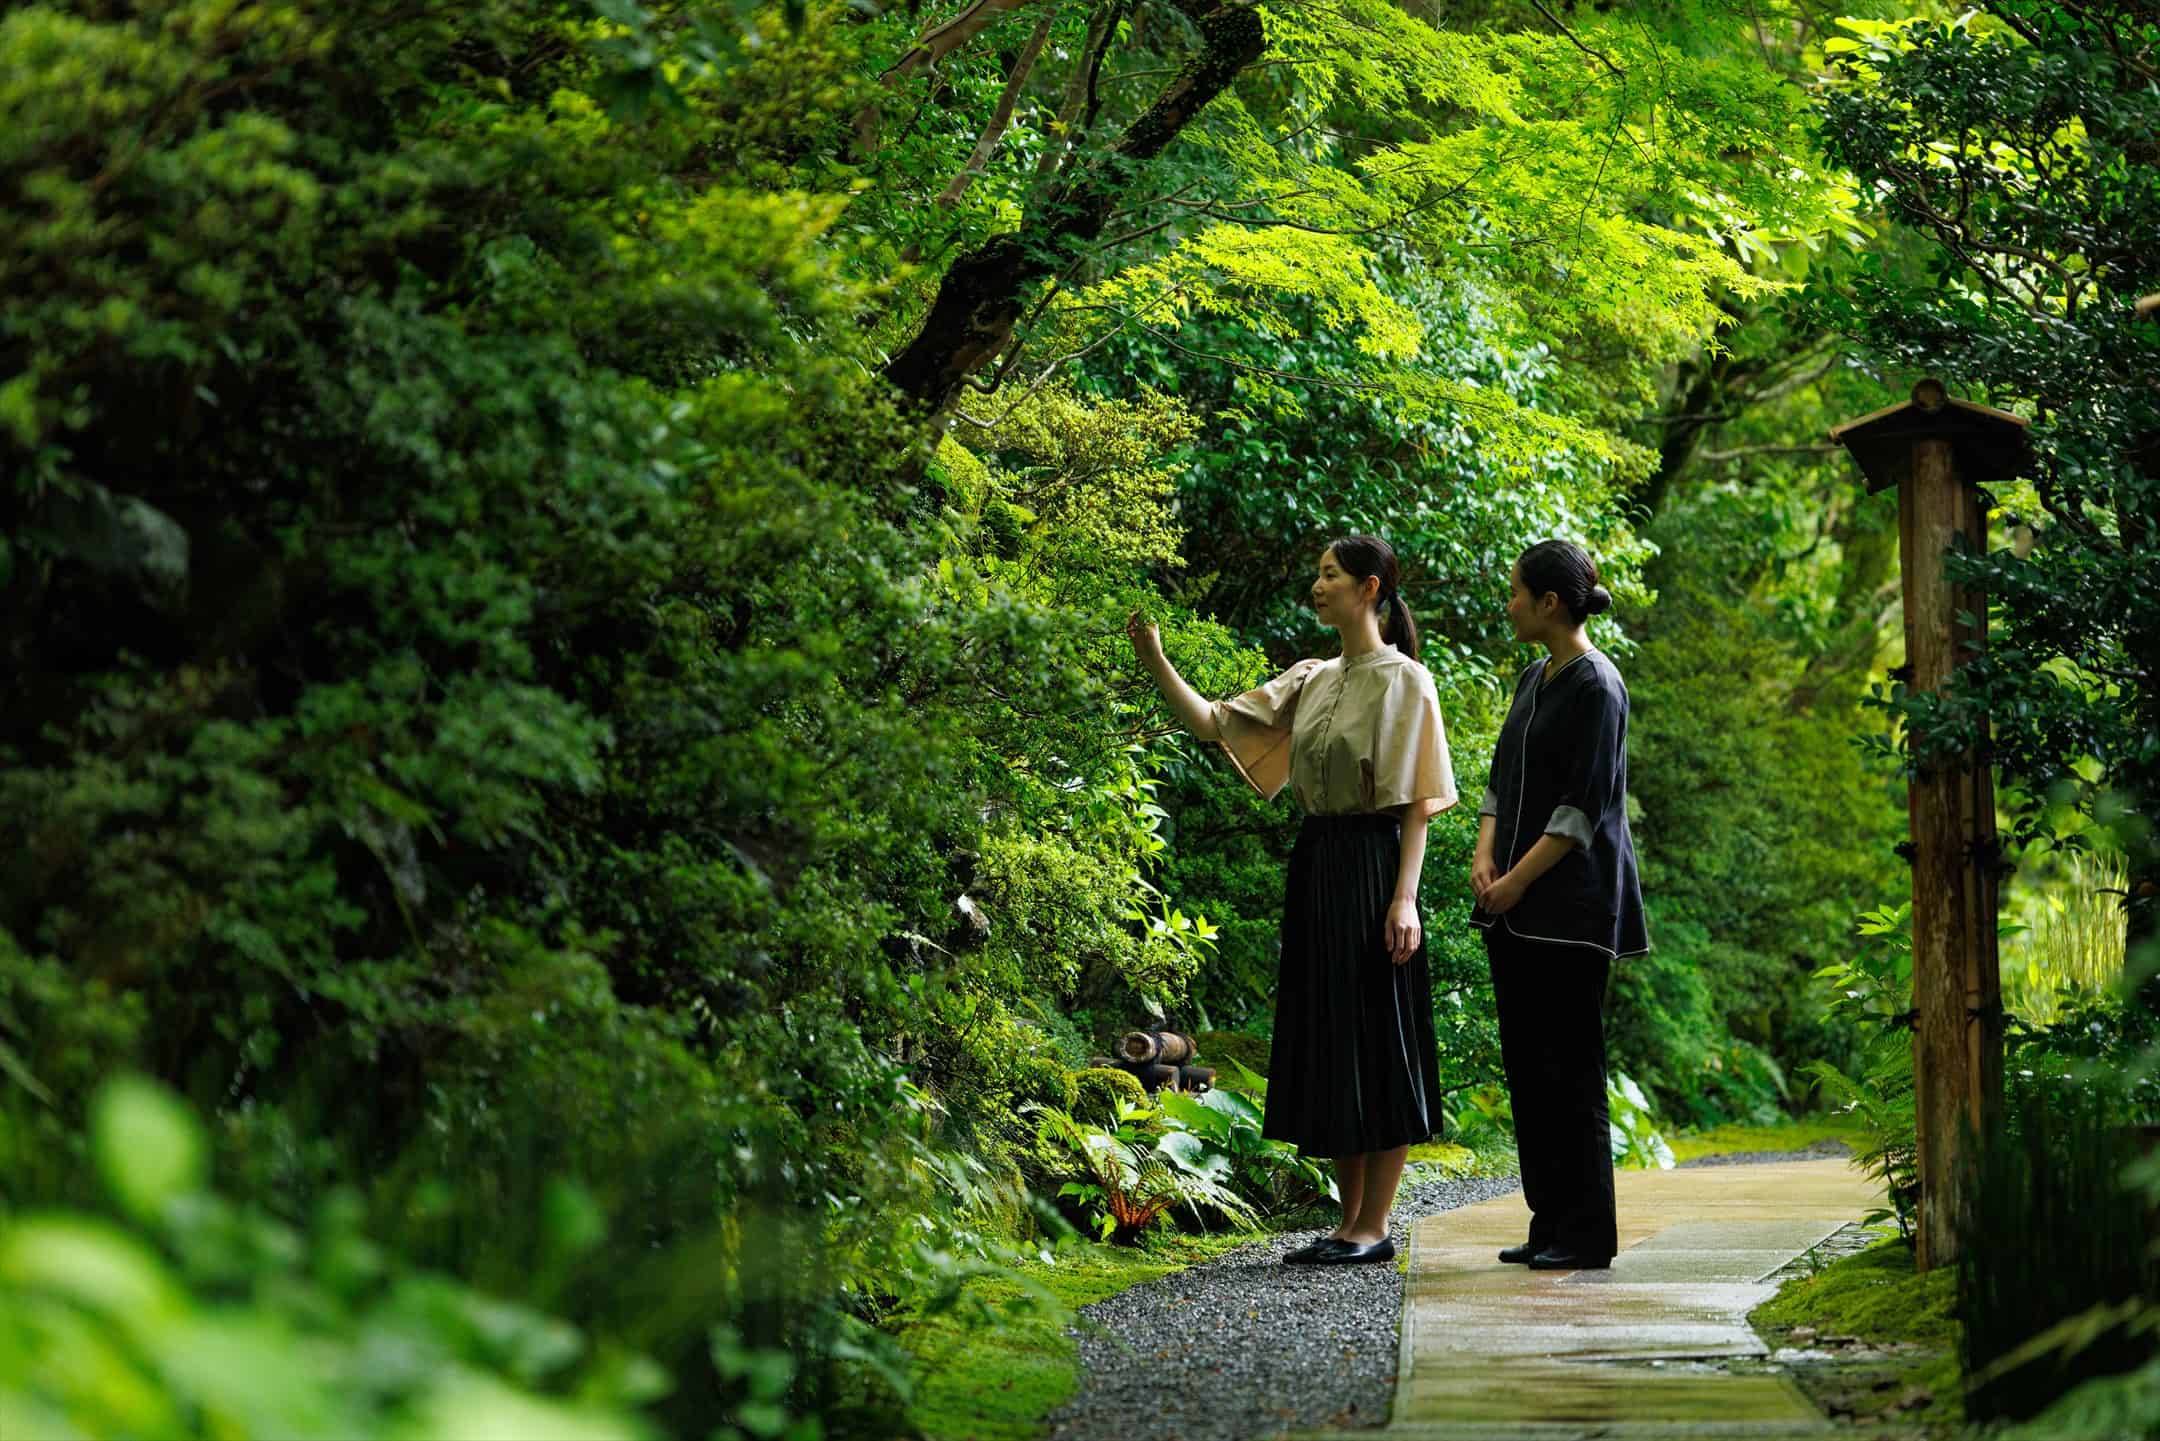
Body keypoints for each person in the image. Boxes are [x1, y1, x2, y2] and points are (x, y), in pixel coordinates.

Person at [1129, 535, 1457, 1266]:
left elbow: (1419, 805)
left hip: (1376, 865)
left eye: (1330, 575)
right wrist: (1153, 653)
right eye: (1317, 574)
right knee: (1333, 1036)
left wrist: (1405, 901)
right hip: (1318, 862)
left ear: (1369, 588)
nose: (1317, 585)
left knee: (1381, 1035)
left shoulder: (1409, 682)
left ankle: (1375, 1224)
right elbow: (1214, 723)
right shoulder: (1312, 676)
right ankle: (1348, 1223)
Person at [1470, 539, 1649, 1271]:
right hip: (1511, 908)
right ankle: (1548, 1223)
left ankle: (1586, 1234)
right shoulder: (1530, 677)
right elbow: (1497, 781)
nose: (1507, 601)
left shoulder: (1598, 687)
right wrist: (1484, 857)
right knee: (1529, 1070)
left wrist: (1515, 879)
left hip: (1570, 912)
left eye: (1516, 590)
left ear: (1549, 602)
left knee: (1570, 1072)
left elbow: (1582, 812)